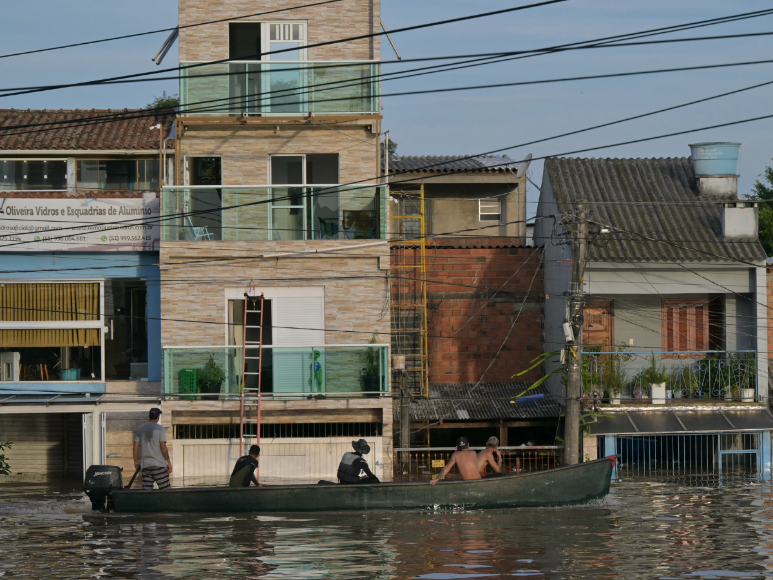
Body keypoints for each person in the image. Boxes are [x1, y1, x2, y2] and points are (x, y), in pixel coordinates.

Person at [133, 407, 172, 490]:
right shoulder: (160, 429)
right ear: (158, 417)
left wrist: (136, 461)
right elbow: (163, 447)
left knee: (147, 493)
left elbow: (135, 447)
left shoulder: (140, 428)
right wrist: (168, 462)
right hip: (159, 465)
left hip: (146, 466)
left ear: (149, 416)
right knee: (166, 492)